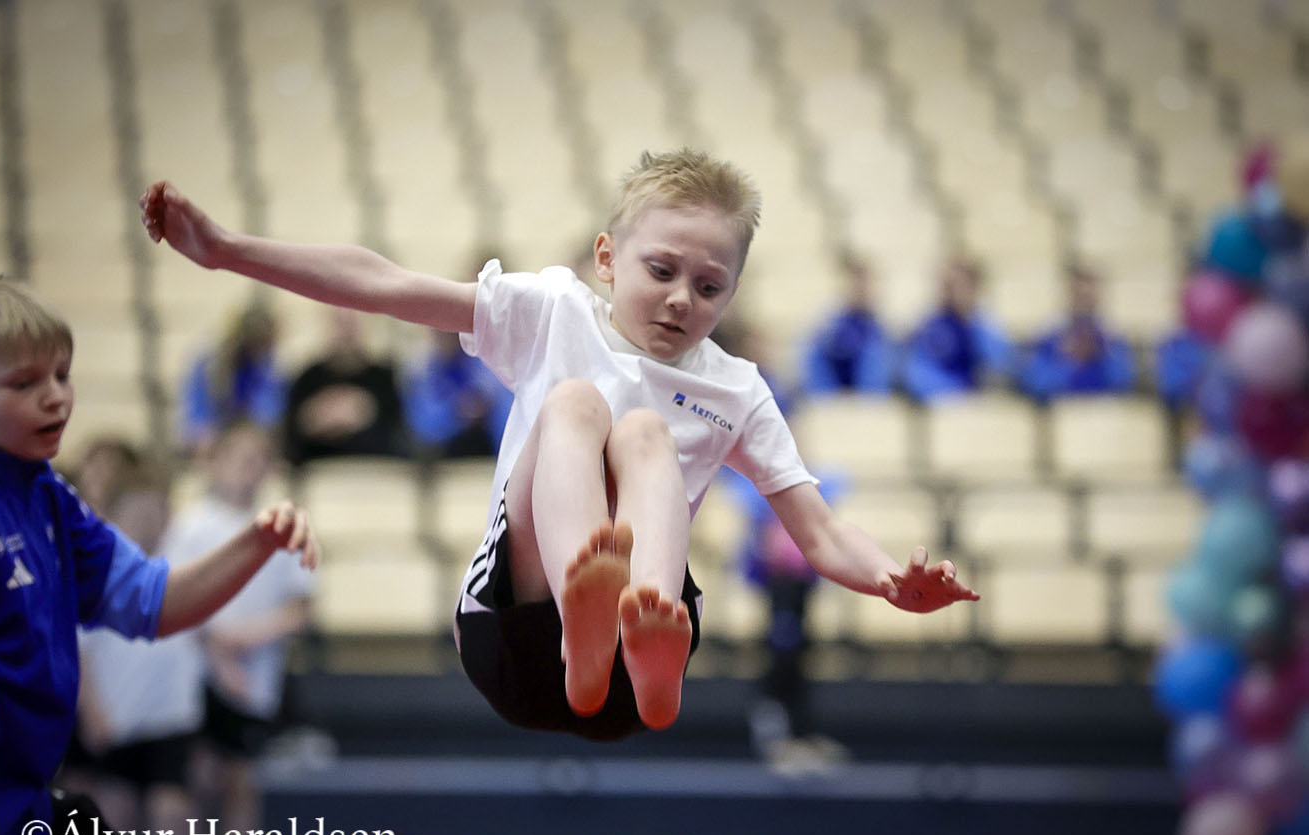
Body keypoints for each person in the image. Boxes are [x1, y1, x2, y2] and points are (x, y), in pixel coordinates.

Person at [139, 148, 978, 741]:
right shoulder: (553, 312)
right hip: (513, 630)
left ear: (732, 294)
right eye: (661, 271)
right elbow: (385, 285)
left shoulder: (737, 389)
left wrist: (889, 582)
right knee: (576, 403)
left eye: (709, 286)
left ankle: (642, 646)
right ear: (607, 258)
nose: (681, 299)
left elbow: (820, 534)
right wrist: (226, 251)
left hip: (632, 666)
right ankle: (584, 615)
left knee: (645, 433)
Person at [0, 277, 318, 835]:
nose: (55, 397)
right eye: (24, 384)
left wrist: (255, 543)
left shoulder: (48, 498)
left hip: (26, 825)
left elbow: (155, 602)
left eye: (62, 375)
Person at [163, 419, 314, 832]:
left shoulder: (285, 529)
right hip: (198, 670)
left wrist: (244, 640)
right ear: (214, 463)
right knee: (200, 772)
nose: (249, 467)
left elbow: (299, 608)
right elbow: (175, 596)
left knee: (242, 777)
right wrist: (219, 656)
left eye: (258, 459)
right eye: (239, 458)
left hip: (255, 676)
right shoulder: (190, 526)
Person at [70, 450, 203, 835]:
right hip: (118, 719)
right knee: (116, 811)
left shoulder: (184, 566)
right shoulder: (98, 572)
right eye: (138, 512)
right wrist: (92, 710)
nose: (148, 522)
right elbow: (79, 651)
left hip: (170, 719)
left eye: (157, 512)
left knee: (171, 810)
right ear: (112, 515)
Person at [282, 307, 411, 470]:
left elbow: (399, 438)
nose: (346, 332)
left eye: (351, 323)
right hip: (319, 472)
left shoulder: (384, 378)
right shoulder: (307, 378)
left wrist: (363, 411)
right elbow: (290, 440)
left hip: (372, 472)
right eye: (340, 323)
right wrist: (314, 419)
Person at [1016, 262, 1138, 403]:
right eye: (1078, 296)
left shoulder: (1113, 339)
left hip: (1105, 407)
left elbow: (1125, 381)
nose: (1083, 304)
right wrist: (1068, 361)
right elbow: (1035, 383)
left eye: (1088, 297)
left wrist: (1100, 356)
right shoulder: (1048, 338)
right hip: (1061, 407)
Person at [180, 298, 287, 457]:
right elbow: (196, 413)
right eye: (262, 343)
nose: (266, 349)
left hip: (249, 433)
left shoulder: (266, 367)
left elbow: (271, 411)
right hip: (215, 434)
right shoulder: (209, 364)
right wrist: (205, 433)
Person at [901, 255, 1015, 402]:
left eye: (956, 286)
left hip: (973, 402)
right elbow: (915, 373)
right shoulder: (930, 323)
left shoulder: (985, 324)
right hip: (938, 400)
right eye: (946, 286)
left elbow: (1003, 365)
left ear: (974, 288)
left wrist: (969, 321)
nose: (950, 293)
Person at [405, 326, 513, 460]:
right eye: (439, 331)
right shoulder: (422, 369)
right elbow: (421, 425)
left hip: (488, 448)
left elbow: (504, 410)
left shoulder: (486, 361)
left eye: (450, 332)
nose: (445, 335)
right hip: (442, 454)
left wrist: (482, 406)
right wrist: (456, 412)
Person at [799, 252, 896, 396]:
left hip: (870, 395)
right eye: (855, 284)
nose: (861, 290)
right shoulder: (830, 324)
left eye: (865, 284)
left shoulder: (879, 327)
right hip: (832, 391)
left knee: (875, 351)